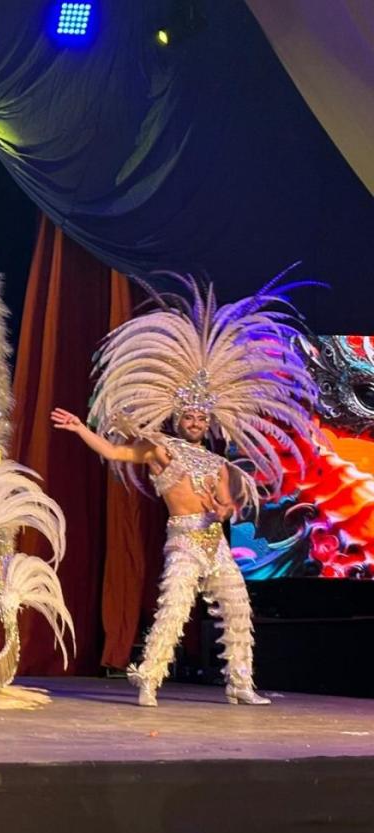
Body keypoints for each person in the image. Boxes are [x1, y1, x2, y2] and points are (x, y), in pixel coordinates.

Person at [52, 279, 319, 707]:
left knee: (237, 609)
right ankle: (149, 679)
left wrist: (223, 507)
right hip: (184, 539)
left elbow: (228, 508)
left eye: (200, 417)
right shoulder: (161, 449)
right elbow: (116, 450)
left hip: (216, 545)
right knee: (174, 608)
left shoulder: (218, 464)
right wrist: (83, 429)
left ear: (208, 423)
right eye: (189, 415)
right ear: (178, 418)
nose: (195, 421)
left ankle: (240, 684)